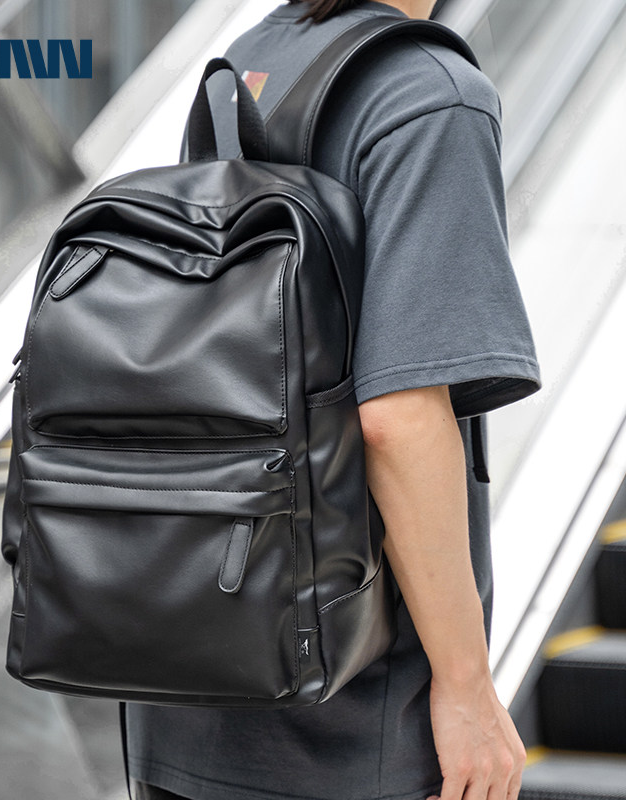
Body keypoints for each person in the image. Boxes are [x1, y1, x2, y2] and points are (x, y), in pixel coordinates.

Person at [127, 1, 541, 799]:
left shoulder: (249, 60)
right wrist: (466, 686)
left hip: (182, 697)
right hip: (349, 729)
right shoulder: (428, 94)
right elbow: (397, 420)